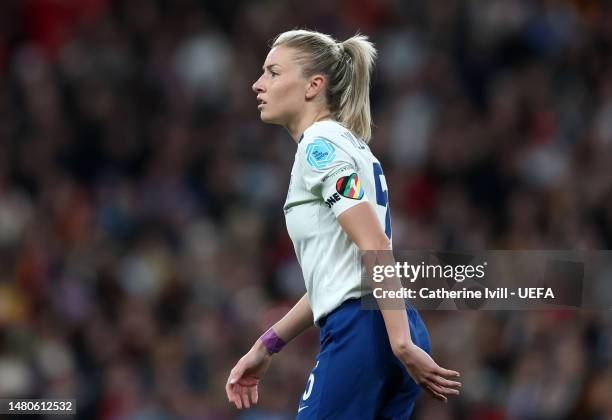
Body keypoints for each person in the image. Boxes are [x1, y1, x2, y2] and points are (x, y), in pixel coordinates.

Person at [226, 29, 461, 419]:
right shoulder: (351, 146)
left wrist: (400, 344)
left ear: (313, 86)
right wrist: (265, 345)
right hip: (389, 319)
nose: (258, 84)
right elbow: (339, 277)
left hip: (367, 331)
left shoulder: (320, 147)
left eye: (272, 72)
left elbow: (375, 243)